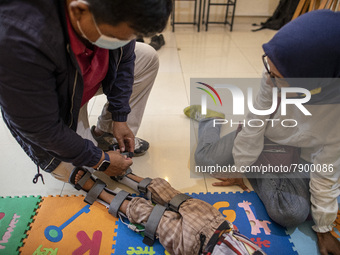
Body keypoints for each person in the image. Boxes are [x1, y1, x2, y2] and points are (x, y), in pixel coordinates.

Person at [185, 10, 340, 255]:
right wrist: (241, 167)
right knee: (204, 160)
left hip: (299, 158)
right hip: (265, 137)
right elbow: (256, 120)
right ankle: (210, 118)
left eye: (278, 77)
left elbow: (327, 170)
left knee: (290, 213)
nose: (268, 78)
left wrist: (324, 227)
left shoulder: (334, 114)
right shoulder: (273, 74)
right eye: (267, 66)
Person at [0, 0, 172, 182]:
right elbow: (40, 128)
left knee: (147, 55)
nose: (121, 42)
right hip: (51, 101)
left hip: (80, 78)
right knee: (81, 170)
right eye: (114, 36)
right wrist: (101, 161)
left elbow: (124, 61)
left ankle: (106, 134)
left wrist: (120, 116)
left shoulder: (118, 11)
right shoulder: (19, 41)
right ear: (79, 11)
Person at [69, 166, 266, 255]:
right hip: (219, 225)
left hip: (195, 248)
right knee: (172, 195)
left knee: (150, 217)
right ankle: (126, 175)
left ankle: (100, 192)